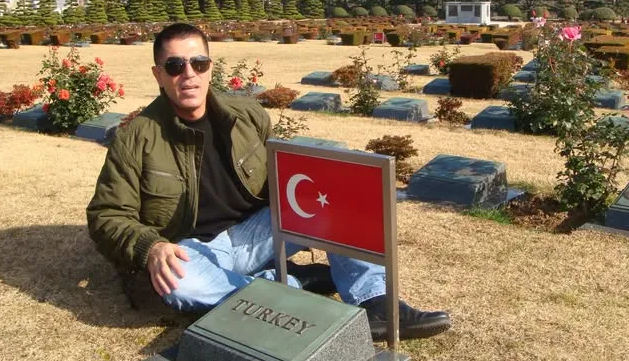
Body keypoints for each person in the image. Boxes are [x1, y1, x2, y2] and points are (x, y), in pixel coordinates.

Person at [86, 23, 451, 341]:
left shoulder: (247, 115)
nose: (189, 74)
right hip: (193, 249)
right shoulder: (136, 137)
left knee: (336, 195)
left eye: (199, 63)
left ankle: (377, 303)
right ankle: (290, 285)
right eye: (175, 66)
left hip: (257, 232)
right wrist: (150, 248)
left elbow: (281, 178)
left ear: (210, 67)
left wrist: (320, 194)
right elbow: (106, 215)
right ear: (158, 75)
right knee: (182, 285)